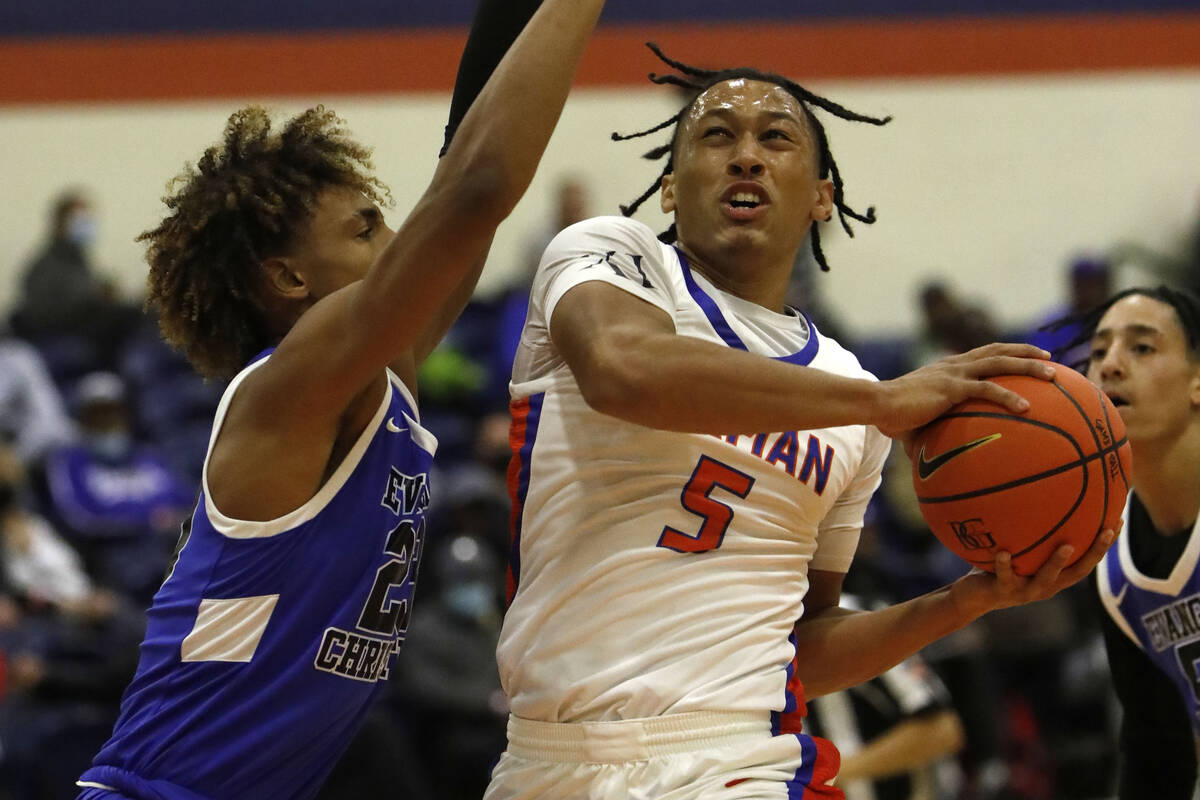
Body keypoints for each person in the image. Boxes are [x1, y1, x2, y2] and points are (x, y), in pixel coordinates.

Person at [486, 47, 1114, 800]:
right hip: (542, 760)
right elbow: (624, 371)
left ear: (822, 197)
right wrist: (880, 404)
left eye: (775, 138)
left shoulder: (848, 394)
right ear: (668, 189)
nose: (746, 154)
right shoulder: (606, 257)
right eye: (716, 136)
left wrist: (961, 604)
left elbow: (802, 648)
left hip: (735, 757)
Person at [74, 1, 607, 798]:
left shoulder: (378, 378)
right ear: (290, 278)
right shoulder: (287, 387)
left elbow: (462, 182)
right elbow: (475, 191)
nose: (395, 245)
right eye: (366, 231)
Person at [1085, 286, 1200, 799]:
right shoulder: (1112, 565)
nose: (1109, 366)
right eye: (1097, 351)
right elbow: (1156, 751)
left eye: (1142, 347)